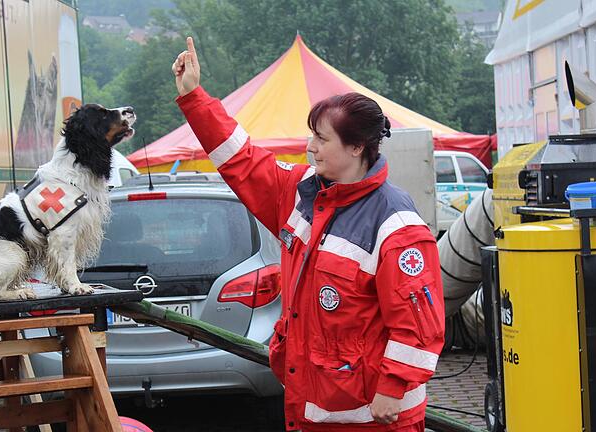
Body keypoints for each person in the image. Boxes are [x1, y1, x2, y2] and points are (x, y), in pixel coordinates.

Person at [172, 37, 445, 432]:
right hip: (311, 408)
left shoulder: (395, 225)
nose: (309, 147)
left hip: (373, 417)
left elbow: (419, 323)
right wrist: (195, 98)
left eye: (321, 138)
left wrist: (394, 386)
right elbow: (241, 160)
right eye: (310, 135)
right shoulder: (300, 192)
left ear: (356, 147)